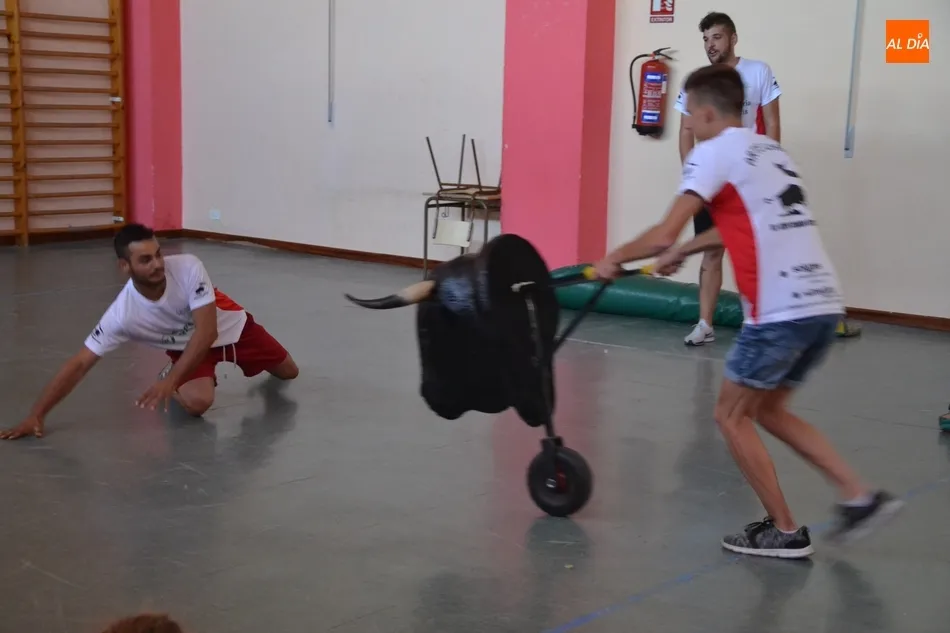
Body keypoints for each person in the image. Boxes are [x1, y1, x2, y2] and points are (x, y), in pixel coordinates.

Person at [593, 64, 902, 558]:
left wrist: (613, 258)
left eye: (689, 113)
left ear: (706, 112)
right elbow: (746, 223)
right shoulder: (770, 151)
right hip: (822, 305)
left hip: (778, 310)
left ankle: (784, 530)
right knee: (768, 411)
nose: (688, 124)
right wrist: (687, 250)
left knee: (730, 415)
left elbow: (661, 234)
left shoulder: (711, 153)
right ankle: (859, 497)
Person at [0, 223, 299, 440]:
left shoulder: (188, 267)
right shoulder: (123, 314)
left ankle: (172, 376)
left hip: (233, 329)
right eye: (145, 260)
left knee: (289, 372)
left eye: (158, 254)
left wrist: (171, 381)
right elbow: (80, 364)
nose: (157, 264)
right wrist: (36, 414)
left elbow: (207, 332)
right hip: (186, 348)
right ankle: (174, 373)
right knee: (198, 404)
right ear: (124, 266)